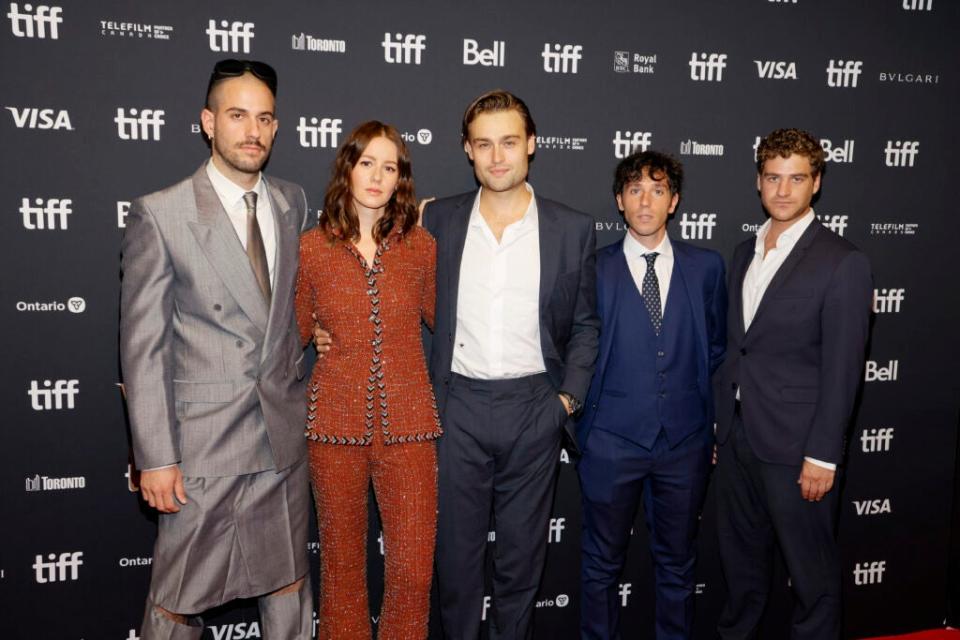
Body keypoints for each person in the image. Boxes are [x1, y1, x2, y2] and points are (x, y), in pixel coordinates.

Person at [120, 59, 314, 639]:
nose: (252, 130)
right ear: (208, 122)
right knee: (175, 605)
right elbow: (143, 346)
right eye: (236, 115)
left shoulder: (291, 202)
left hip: (281, 441)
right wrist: (155, 457)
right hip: (202, 449)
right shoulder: (163, 213)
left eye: (264, 118)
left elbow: (281, 315)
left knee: (290, 590)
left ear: (276, 128)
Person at [422, 89, 600, 640]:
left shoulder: (572, 228)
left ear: (532, 146)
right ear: (467, 151)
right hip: (458, 410)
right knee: (455, 565)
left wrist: (565, 401)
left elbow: (587, 325)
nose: (496, 156)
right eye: (483, 144)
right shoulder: (437, 220)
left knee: (521, 565)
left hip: (534, 408)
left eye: (508, 142)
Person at [713, 128, 872, 639]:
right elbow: (739, 348)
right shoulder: (744, 252)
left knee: (812, 580)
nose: (783, 191)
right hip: (738, 439)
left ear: (816, 183)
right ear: (759, 181)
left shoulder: (842, 262)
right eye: (773, 178)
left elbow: (845, 367)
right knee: (741, 575)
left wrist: (823, 455)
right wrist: (722, 426)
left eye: (796, 179)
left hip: (799, 449)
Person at [295, 121, 440, 640]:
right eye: (366, 163)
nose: (377, 176)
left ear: (401, 177)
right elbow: (288, 333)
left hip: (411, 429)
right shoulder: (312, 248)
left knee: (413, 572)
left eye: (390, 166)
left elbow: (447, 324)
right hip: (333, 429)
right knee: (341, 573)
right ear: (347, 169)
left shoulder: (421, 246)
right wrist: (311, 329)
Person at [577, 151, 726, 640]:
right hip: (610, 443)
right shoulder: (592, 270)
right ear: (619, 201)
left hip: (684, 444)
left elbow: (718, 347)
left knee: (679, 565)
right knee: (600, 566)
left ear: (674, 201)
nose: (646, 200)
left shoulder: (706, 268)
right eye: (635, 189)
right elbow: (571, 348)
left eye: (658, 190)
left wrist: (707, 426)